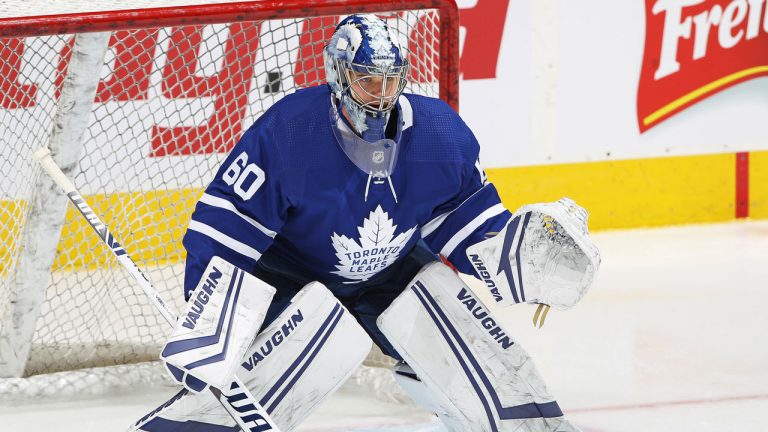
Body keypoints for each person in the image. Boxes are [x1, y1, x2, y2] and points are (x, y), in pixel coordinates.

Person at [140, 14, 599, 432]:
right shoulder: (290, 130)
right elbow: (225, 225)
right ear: (339, 77)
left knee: (464, 335)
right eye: (366, 80)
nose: (381, 93)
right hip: (291, 278)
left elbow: (467, 226)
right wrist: (210, 319)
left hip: (389, 272)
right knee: (258, 376)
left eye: (390, 79)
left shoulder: (439, 132)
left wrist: (512, 256)